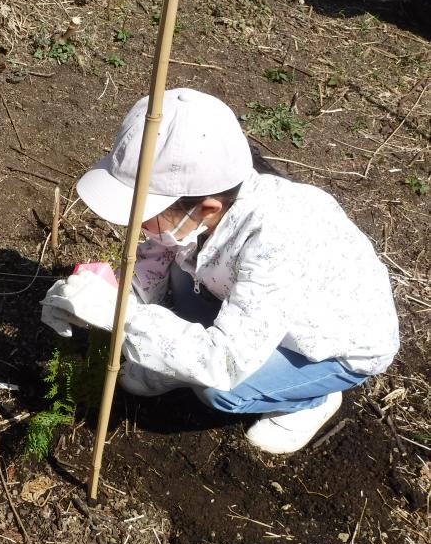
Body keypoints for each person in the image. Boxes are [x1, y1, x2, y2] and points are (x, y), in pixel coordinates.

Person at [41, 88, 400, 454]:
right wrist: (111, 294)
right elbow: (157, 255)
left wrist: (122, 317)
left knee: (219, 390)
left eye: (144, 212)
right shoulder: (209, 207)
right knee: (179, 271)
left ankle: (310, 399)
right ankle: (184, 355)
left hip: (326, 347)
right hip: (263, 308)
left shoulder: (279, 238)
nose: (135, 225)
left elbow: (227, 363)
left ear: (207, 208)